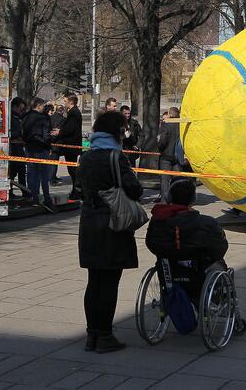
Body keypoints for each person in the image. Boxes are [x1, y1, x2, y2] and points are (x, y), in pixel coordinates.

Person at [77, 110, 144, 353]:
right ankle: (105, 335)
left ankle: (91, 334)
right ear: (117, 131)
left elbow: (78, 189)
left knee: (94, 281)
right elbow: (134, 190)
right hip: (112, 223)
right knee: (109, 281)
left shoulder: (86, 157)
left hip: (89, 223)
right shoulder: (116, 157)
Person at [146, 178, 228, 265]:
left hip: (167, 270)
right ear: (193, 198)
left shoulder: (157, 219)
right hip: (199, 270)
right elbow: (220, 248)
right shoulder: (207, 222)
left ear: (169, 197)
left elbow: (151, 243)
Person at [23, 97, 56, 212]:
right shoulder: (43, 118)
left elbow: (24, 133)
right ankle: (47, 198)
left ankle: (34, 196)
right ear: (38, 105)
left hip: (29, 148)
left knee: (32, 173)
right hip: (42, 149)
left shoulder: (25, 117)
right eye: (42, 105)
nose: (43, 108)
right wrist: (50, 143)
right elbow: (46, 136)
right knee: (44, 175)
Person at [52, 94, 83, 199]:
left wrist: (59, 132)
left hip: (72, 146)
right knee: (72, 170)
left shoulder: (74, 113)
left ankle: (77, 191)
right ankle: (76, 191)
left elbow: (70, 128)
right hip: (70, 145)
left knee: (73, 171)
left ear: (71, 102)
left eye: (65, 101)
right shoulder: (72, 112)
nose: (64, 104)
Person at [156, 107, 181, 203]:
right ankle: (177, 201)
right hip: (178, 156)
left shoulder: (166, 124)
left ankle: (165, 202)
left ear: (170, 115)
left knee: (165, 181)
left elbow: (162, 140)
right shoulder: (181, 124)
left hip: (166, 156)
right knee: (177, 180)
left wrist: (160, 149)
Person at [9, 97, 27, 198]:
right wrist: (19, 133)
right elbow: (9, 133)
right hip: (14, 147)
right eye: (21, 109)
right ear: (15, 106)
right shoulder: (11, 117)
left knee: (21, 170)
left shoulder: (19, 117)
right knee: (13, 171)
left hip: (20, 146)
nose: (22, 111)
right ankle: (10, 192)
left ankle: (25, 191)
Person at [50, 105, 67, 186]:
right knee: (54, 161)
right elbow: (62, 132)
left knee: (52, 161)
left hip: (49, 141)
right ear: (62, 111)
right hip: (57, 143)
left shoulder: (50, 118)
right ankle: (52, 178)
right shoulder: (63, 120)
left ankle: (53, 176)